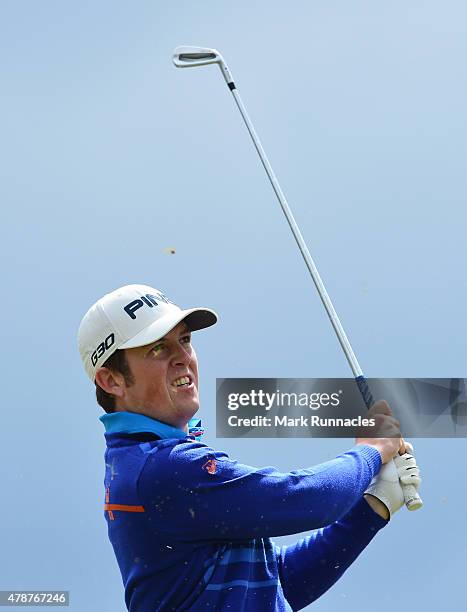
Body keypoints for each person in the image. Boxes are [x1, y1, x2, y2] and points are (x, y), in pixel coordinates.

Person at [77, 284, 421, 612]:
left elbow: (277, 584)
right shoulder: (163, 468)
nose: (184, 357)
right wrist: (372, 451)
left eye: (184, 340)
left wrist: (372, 508)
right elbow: (308, 499)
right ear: (112, 380)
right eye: (158, 348)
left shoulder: (147, 462)